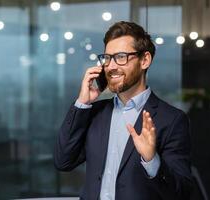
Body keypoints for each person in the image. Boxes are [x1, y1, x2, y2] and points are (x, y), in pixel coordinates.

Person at [54, 21, 192, 200]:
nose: (110, 66)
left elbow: (182, 192)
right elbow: (63, 161)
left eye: (121, 57)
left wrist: (152, 161)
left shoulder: (172, 120)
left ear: (145, 60)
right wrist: (82, 102)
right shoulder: (94, 112)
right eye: (107, 58)